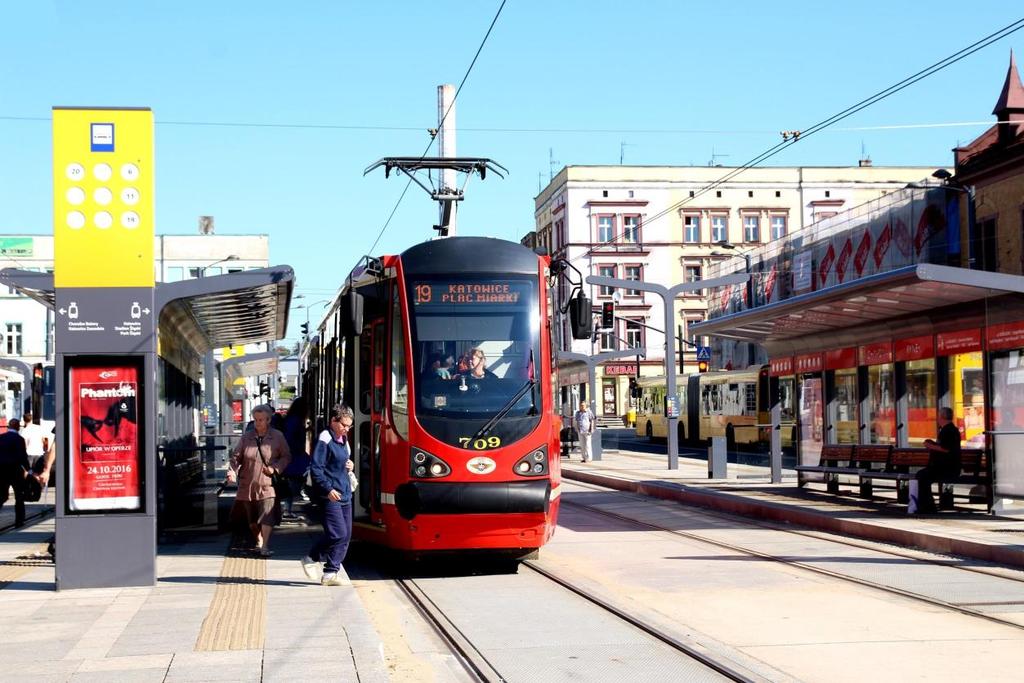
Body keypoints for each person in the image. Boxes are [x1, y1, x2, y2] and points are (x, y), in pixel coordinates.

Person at [301, 403, 356, 586]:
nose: (346, 429)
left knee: (346, 534)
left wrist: (350, 465)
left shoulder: (343, 438)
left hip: (344, 492)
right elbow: (316, 469)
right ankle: (311, 557)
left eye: (349, 426)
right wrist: (328, 489)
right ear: (333, 420)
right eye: (344, 425)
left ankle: (331, 573)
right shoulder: (325, 439)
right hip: (330, 494)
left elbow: (341, 461)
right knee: (337, 533)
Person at [227, 404, 291, 556]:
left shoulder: (277, 436)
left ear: (268, 420)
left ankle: (265, 546)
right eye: (255, 419)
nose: (258, 423)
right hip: (247, 484)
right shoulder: (247, 437)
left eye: (261, 420)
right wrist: (232, 471)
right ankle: (258, 539)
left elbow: (287, 456)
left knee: (266, 517)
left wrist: (275, 468)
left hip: (267, 484)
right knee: (252, 521)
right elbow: (236, 457)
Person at [917, 406, 962, 514]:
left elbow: (947, 449)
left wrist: (930, 446)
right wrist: (933, 444)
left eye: (938, 416)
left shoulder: (949, 430)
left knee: (923, 476)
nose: (937, 418)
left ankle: (928, 507)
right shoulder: (948, 429)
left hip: (947, 469)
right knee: (921, 475)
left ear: (942, 416)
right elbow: (944, 446)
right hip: (944, 467)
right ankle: (927, 506)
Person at [281, 397, 311, 518]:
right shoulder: (296, 420)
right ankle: (286, 509)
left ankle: (286, 509)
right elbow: (291, 438)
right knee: (292, 484)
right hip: (294, 457)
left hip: (293, 457)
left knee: (290, 484)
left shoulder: (291, 419)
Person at [0, 419, 30, 527]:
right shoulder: (19, 439)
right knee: (19, 496)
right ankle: (19, 521)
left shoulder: (1, 438)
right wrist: (28, 469)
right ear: (17, 427)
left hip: (1, 471)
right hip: (15, 471)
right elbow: (22, 456)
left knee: (2, 496)